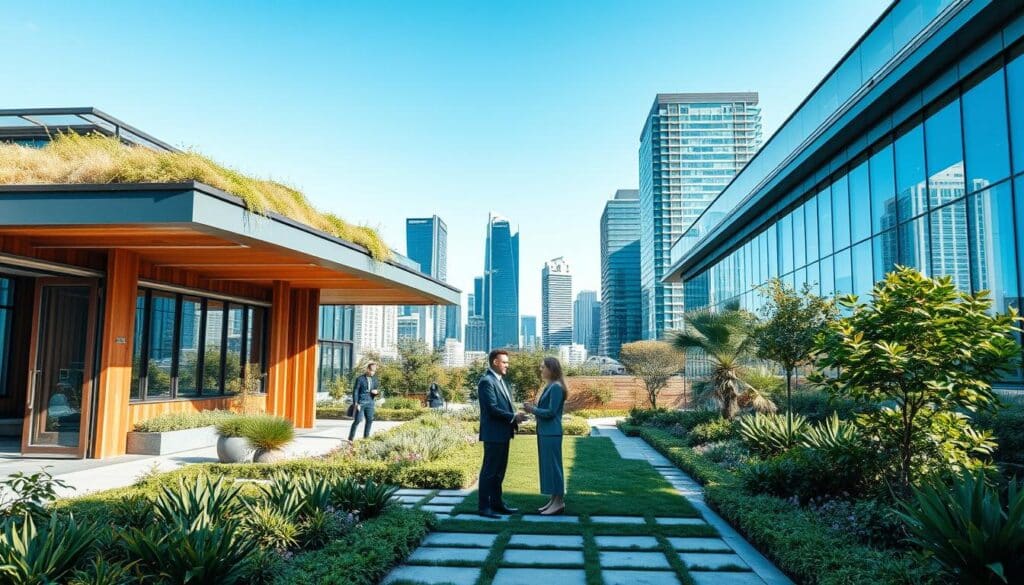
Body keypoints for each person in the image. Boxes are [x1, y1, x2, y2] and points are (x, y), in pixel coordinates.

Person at [477, 349, 528, 518]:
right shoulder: (487, 381)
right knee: (489, 471)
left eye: (507, 362)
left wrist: (514, 414)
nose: (507, 365)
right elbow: (492, 409)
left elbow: (503, 406)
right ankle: (484, 507)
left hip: (503, 433)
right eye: (504, 362)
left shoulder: (500, 381)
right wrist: (513, 416)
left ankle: (497, 504)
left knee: (499, 471)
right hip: (493, 434)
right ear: (495, 363)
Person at [524, 357, 567, 515]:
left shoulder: (556, 387)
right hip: (546, 432)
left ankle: (559, 502)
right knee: (549, 467)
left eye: (543, 367)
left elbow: (550, 412)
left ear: (551, 368)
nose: (540, 370)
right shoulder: (550, 386)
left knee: (554, 468)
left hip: (551, 433)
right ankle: (553, 501)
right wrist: (533, 409)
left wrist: (532, 410)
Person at [348, 362, 380, 441]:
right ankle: (351, 438)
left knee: (370, 420)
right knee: (357, 420)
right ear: (367, 369)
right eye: (372, 370)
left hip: (370, 402)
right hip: (361, 402)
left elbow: (376, 389)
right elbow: (355, 391)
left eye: (374, 371)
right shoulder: (360, 379)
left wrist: (376, 393)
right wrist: (356, 403)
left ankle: (366, 438)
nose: (373, 372)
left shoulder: (375, 379)